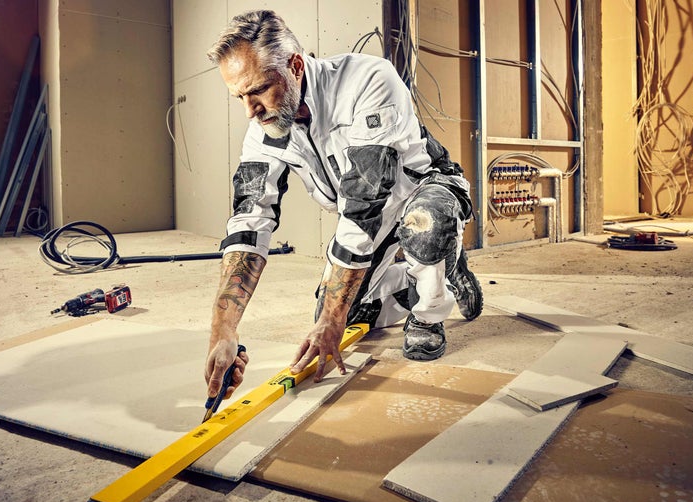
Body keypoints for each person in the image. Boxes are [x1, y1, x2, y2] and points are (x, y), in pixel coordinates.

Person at [203, 10, 483, 401]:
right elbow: (250, 218)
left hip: (426, 187)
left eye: (259, 91)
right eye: (240, 97)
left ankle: (432, 303)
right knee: (343, 314)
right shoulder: (263, 129)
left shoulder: (367, 80)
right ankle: (412, 276)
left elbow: (363, 204)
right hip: (374, 218)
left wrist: (331, 319)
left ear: (296, 66)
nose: (251, 110)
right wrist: (224, 330)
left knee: (423, 225)